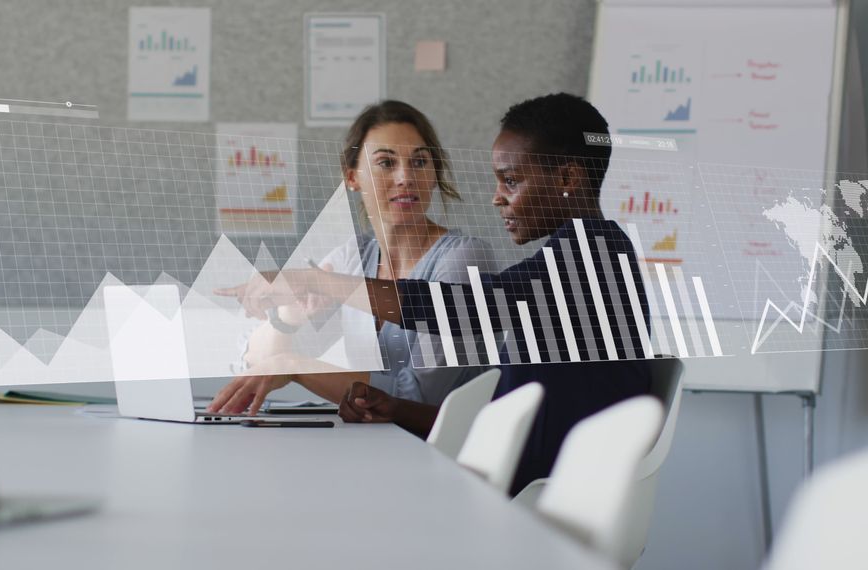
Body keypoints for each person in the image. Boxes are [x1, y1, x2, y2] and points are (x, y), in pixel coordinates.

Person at [222, 93, 653, 495]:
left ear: (567, 178)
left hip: (539, 493)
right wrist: (392, 408)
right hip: (514, 477)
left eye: (511, 181)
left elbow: (456, 308)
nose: (497, 198)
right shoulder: (580, 252)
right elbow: (489, 418)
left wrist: (316, 283)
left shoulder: (591, 257)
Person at [207, 100, 496, 416]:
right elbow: (254, 360)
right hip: (377, 446)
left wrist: (295, 366)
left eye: (420, 162)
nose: (405, 177)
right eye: (386, 163)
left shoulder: (464, 258)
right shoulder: (354, 256)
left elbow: (417, 397)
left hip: (444, 455)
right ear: (352, 177)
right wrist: (288, 318)